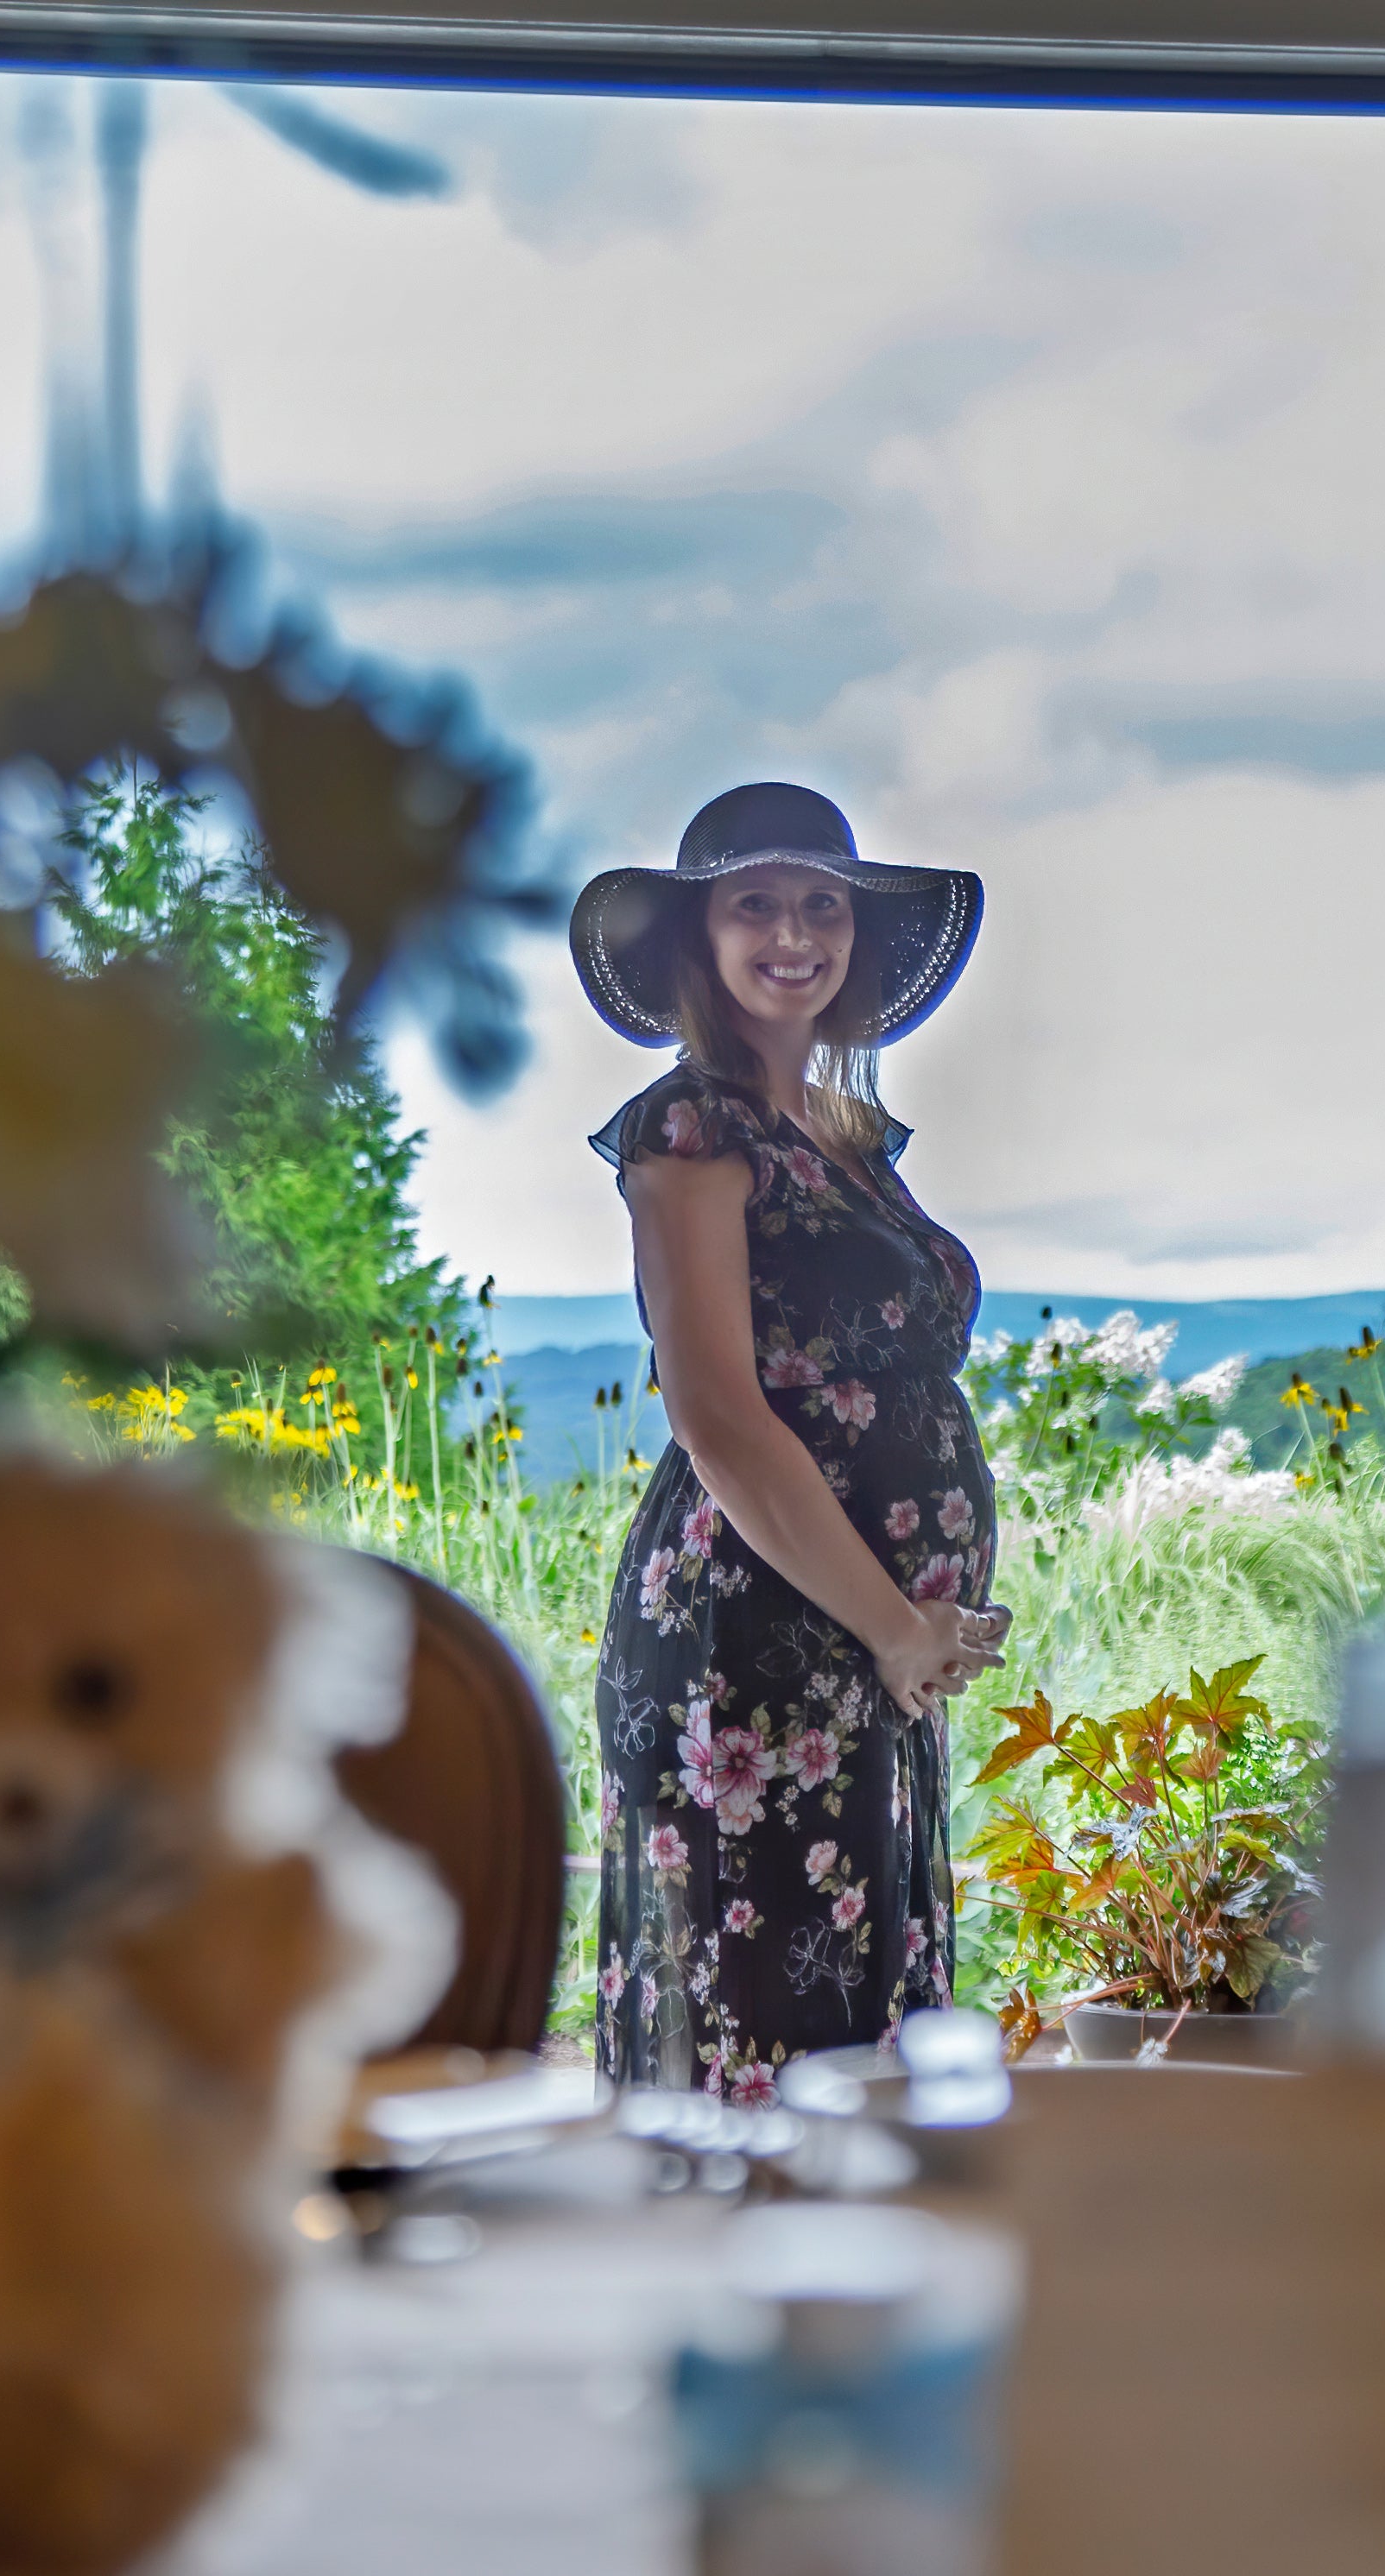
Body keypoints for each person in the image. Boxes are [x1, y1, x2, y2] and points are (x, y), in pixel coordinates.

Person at [573, 784, 1007, 2101]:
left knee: (860, 2035)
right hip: (755, 1643)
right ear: (697, 939)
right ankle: (732, 2303)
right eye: (753, 904)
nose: (793, 934)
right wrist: (891, 1621)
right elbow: (715, 1413)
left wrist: (912, 1631)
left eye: (822, 905)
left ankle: (852, 2303)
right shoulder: (693, 1127)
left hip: (865, 1648)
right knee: (761, 2048)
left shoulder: (849, 1135)